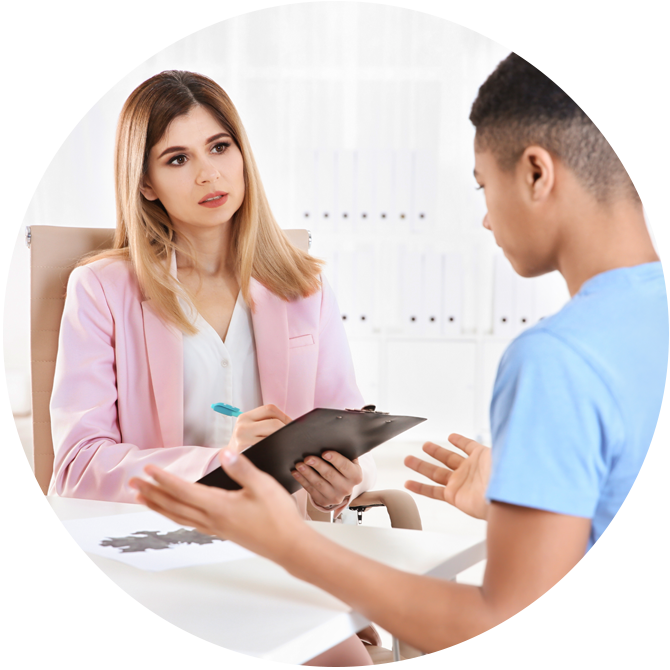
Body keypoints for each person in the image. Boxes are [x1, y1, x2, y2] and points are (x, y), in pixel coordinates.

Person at [132, 32, 669, 667]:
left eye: (481, 186)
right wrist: (520, 504)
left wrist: (288, 543)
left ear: (535, 172)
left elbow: (510, 643)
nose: (486, 219)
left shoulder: (554, 361)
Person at [47, 71, 375, 667]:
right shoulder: (101, 289)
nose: (208, 174)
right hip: (142, 567)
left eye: (220, 147)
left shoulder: (304, 289)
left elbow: (342, 426)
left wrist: (335, 485)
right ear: (145, 184)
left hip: (270, 567)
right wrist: (222, 464)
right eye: (178, 158)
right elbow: (77, 465)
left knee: (346, 662)